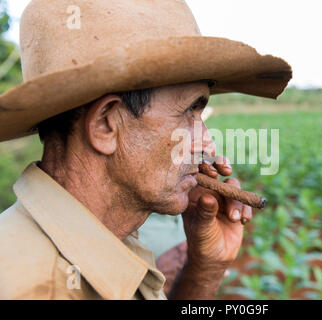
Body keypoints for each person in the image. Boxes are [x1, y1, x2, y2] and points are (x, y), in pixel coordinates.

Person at [0, 0, 291, 300]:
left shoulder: (109, 238)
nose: (208, 146)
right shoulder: (36, 289)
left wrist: (206, 268)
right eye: (190, 110)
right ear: (105, 125)